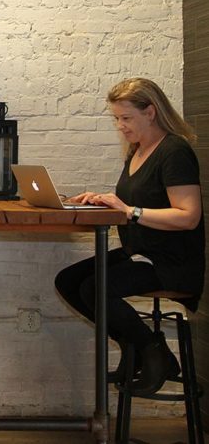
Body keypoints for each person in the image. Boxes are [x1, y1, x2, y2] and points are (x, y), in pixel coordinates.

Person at [55, 77, 204, 396]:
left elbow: (188, 216)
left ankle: (154, 351)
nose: (120, 126)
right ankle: (134, 347)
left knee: (96, 287)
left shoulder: (174, 151)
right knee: (69, 282)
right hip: (140, 251)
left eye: (126, 118)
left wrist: (129, 210)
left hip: (171, 261)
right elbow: (140, 201)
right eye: (117, 119)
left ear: (150, 112)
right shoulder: (137, 151)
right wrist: (105, 199)